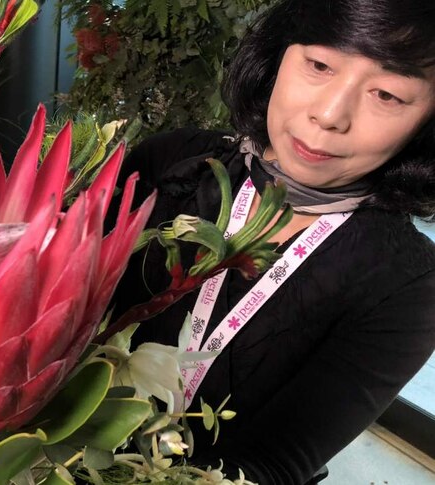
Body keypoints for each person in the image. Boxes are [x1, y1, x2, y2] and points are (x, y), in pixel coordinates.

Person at [111, 0, 435, 483]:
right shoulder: (171, 162)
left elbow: (278, 460)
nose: (328, 116)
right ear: (278, 54)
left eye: (387, 95)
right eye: (319, 64)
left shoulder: (409, 282)